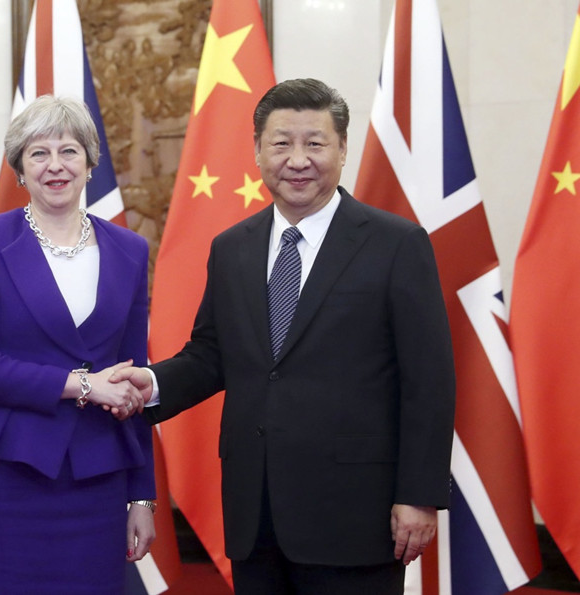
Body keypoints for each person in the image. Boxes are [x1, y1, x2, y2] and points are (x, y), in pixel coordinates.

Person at [113, 79, 456, 594]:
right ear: (257, 151)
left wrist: (419, 495)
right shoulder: (232, 247)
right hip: (256, 512)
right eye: (281, 143)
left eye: (315, 143)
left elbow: (429, 381)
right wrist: (152, 384)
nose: (298, 160)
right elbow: (212, 354)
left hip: (355, 512)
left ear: (342, 149)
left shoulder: (396, 244)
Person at [0, 94, 156, 594]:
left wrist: (142, 497)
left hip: (97, 477)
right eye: (38, 153)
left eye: (68, 151)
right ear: (20, 168)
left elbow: (134, 382)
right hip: (2, 474)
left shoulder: (129, 250)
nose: (55, 166)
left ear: (90, 163)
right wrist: (82, 385)